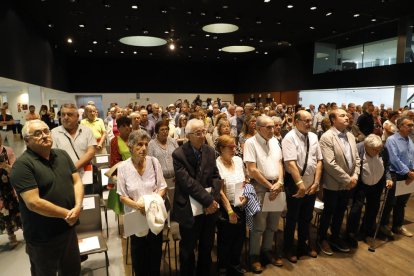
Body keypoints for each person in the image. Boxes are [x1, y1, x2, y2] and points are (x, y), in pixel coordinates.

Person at [10, 119, 84, 275]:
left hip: (68, 230)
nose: (44, 135)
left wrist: (77, 207)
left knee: (72, 271)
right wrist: (67, 214)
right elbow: (33, 203)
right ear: (27, 141)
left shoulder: (62, 155)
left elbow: (76, 181)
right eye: (37, 133)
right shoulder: (22, 165)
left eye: (46, 131)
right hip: (43, 238)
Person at [171, 119, 221, 276]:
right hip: (188, 207)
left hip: (208, 209)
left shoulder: (210, 151)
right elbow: (187, 183)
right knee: (188, 248)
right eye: (198, 133)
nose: (202, 136)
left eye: (203, 132)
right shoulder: (178, 154)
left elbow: (216, 177)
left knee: (206, 247)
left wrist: (213, 200)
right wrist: (208, 200)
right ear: (188, 135)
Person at [117, 129, 167, 276]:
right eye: (139, 144)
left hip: (154, 214)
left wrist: (151, 204)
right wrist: (138, 206)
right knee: (139, 258)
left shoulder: (154, 162)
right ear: (131, 146)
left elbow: (162, 187)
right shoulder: (123, 167)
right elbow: (122, 196)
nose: (144, 148)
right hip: (135, 217)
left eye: (146, 144)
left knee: (155, 255)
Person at [244, 116, 284, 273]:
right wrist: (270, 186)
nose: (272, 130)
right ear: (258, 128)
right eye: (268, 127)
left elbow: (280, 163)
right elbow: (252, 169)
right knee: (259, 226)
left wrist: (279, 181)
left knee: (273, 225)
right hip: (260, 187)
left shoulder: (274, 141)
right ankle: (254, 256)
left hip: (276, 185)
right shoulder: (250, 143)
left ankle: (267, 251)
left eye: (273, 127)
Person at [318, 109, 360, 255]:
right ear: (333, 120)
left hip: (349, 183)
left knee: (340, 212)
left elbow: (357, 159)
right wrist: (348, 179)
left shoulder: (350, 135)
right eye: (342, 115)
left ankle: (335, 238)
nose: (347, 117)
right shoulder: (327, 137)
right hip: (333, 184)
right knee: (328, 212)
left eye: (346, 115)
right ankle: (321, 239)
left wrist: (355, 176)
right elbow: (330, 163)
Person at [282, 110, 322, 262]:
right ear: (296, 121)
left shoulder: (313, 136)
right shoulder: (289, 138)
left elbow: (319, 160)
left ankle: (303, 245)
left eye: (310, 120)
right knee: (292, 218)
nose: (309, 124)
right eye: (305, 120)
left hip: (311, 181)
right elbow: (290, 163)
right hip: (295, 182)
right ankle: (288, 248)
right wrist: (300, 184)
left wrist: (316, 182)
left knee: (307, 217)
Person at [346, 134, 393, 247]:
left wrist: (388, 178)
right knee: (356, 209)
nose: (378, 152)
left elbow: (387, 166)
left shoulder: (382, 149)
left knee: (373, 208)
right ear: (366, 146)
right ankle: (350, 233)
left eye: (379, 149)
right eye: (375, 150)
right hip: (361, 185)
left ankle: (366, 231)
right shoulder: (357, 149)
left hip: (377, 185)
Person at [216, 135, 247, 275]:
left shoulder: (238, 160)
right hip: (226, 207)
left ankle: (235, 264)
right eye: (231, 147)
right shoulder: (217, 164)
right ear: (221, 149)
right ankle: (223, 266)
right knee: (225, 240)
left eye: (235, 146)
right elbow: (220, 191)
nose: (234, 149)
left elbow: (245, 180)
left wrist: (245, 195)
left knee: (239, 237)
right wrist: (229, 211)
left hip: (240, 203)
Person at [380, 116, 414, 238]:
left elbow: (411, 158)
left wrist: (412, 171)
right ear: (400, 127)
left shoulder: (409, 140)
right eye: (409, 125)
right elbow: (394, 159)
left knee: (402, 203)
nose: (411, 127)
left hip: (409, 175)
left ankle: (397, 226)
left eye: (412, 125)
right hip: (396, 174)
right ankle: (383, 226)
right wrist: (407, 172)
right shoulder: (392, 140)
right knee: (390, 202)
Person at [51, 103, 97, 194]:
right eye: (63, 114)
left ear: (77, 116)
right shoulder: (54, 133)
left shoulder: (87, 131)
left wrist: (72, 169)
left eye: (70, 114)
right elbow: (53, 155)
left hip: (85, 175)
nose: (65, 117)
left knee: (88, 202)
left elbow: (91, 152)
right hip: (65, 178)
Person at [148, 121, 178, 205]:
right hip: (160, 181)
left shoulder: (173, 141)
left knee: (176, 203)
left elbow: (179, 158)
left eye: (166, 129)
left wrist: (178, 174)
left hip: (175, 179)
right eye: (162, 130)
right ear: (157, 132)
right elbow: (150, 164)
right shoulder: (151, 144)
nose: (165, 131)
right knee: (165, 205)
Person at [0, 132, 20, 249]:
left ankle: (27, 233)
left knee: (16, 209)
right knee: (3, 212)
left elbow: (15, 169)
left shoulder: (8, 150)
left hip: (9, 187)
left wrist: (5, 166)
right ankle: (11, 236)